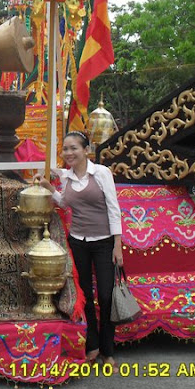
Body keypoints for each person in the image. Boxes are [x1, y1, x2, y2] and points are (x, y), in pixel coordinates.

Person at [38, 131, 123, 373]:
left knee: (105, 295)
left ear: (86, 150)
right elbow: (65, 203)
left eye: (73, 148)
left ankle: (108, 350)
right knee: (84, 294)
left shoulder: (102, 173)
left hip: (104, 242)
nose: (69, 153)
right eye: (65, 149)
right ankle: (92, 346)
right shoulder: (67, 177)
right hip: (78, 241)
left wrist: (117, 245)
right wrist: (49, 188)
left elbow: (113, 209)